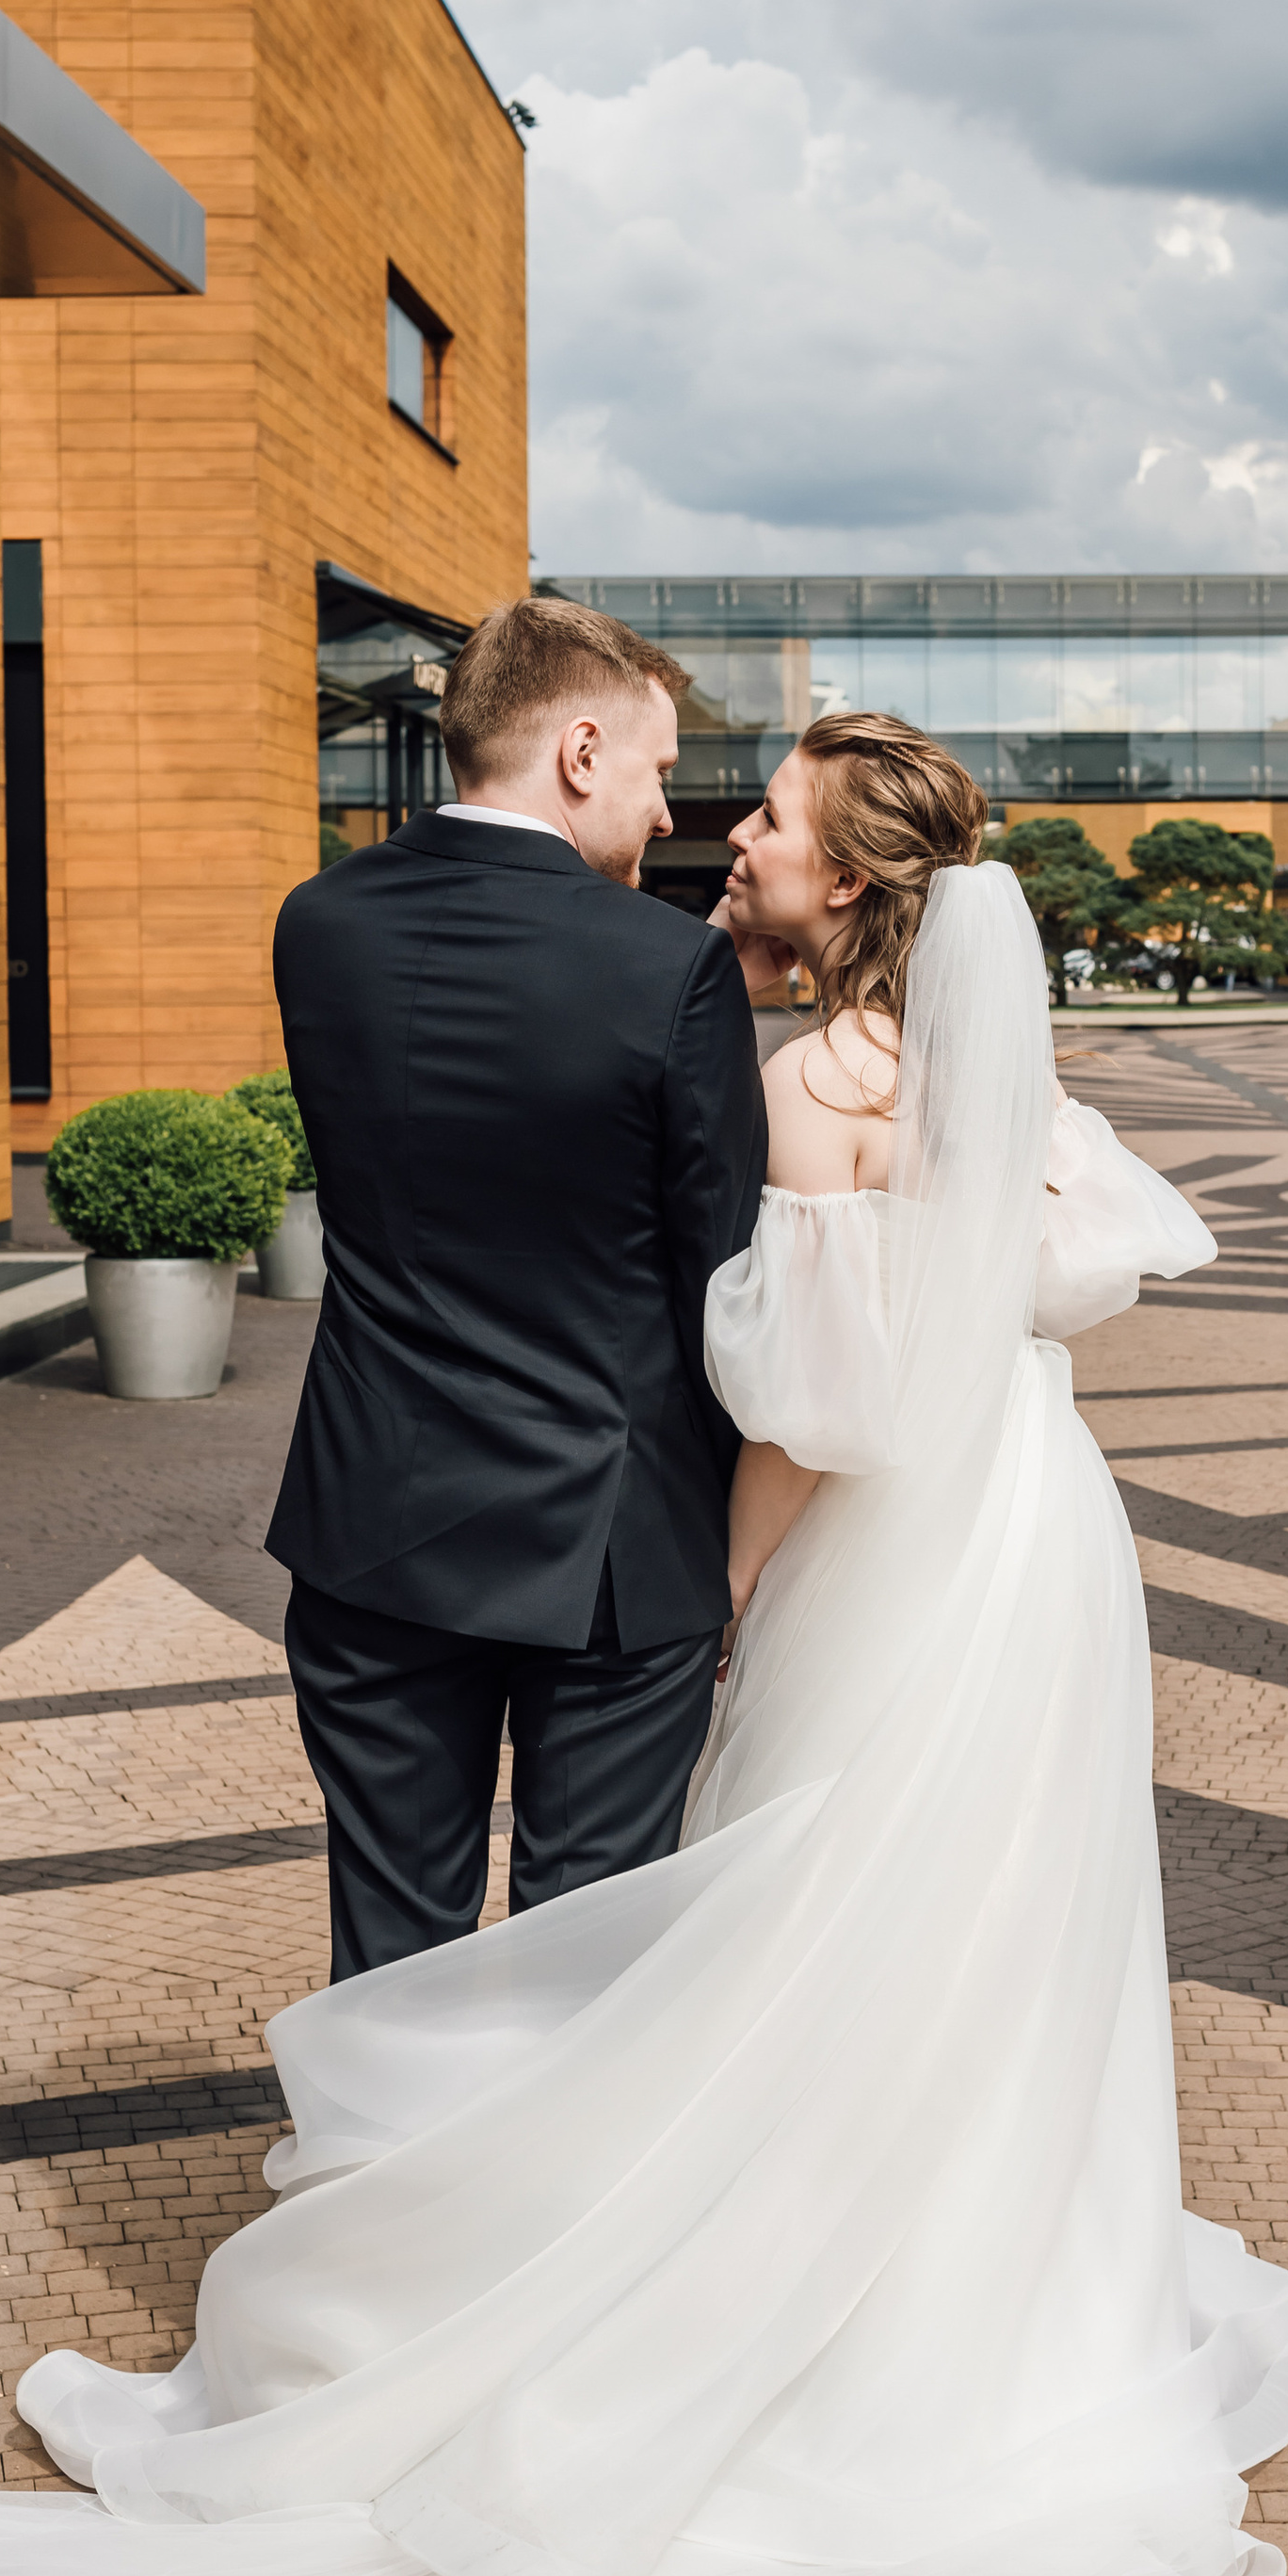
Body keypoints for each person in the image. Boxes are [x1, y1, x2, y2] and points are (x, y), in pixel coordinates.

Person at [0, 711, 1288, 2576]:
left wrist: (728, 1594)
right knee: (991, 1931)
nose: (730, 850)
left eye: (771, 830)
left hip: (879, 1548)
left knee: (771, 1930)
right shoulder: (1008, 1080)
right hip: (1038, 1541)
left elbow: (811, 1413)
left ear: (851, 886)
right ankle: (992, 2314)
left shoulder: (800, 1079)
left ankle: (553, 2310)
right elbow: (1068, 1276)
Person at [263, 593, 778, 1976]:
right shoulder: (671, 967)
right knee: (584, 1952)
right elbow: (719, 1279)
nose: (668, 815)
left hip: (372, 1514)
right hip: (609, 1544)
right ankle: (553, 2199)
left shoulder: (318, 927)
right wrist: (733, 1541)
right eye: (663, 771)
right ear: (583, 750)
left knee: (390, 1949)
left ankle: (375, 2188)